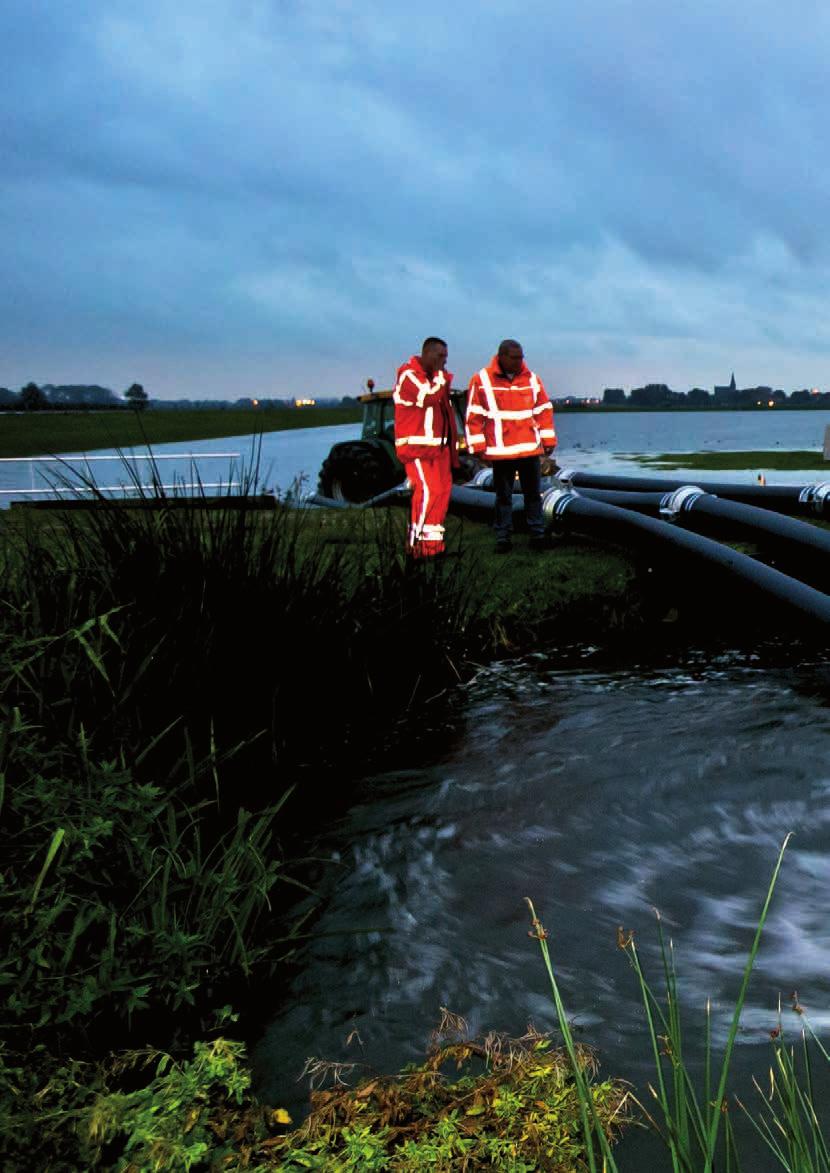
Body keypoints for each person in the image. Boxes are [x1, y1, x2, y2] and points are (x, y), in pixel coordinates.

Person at [465, 340, 557, 552]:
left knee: (533, 494)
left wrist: (548, 441)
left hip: (529, 450)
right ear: (502, 357)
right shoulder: (482, 380)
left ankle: (537, 535)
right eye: (515, 358)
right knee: (503, 497)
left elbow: (543, 410)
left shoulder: (532, 379)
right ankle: (503, 538)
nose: (520, 361)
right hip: (502, 452)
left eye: (521, 357)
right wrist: (478, 447)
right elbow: (474, 415)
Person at [393, 337, 459, 558]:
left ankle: (433, 547)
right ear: (427, 353)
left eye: (446, 357)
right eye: (440, 356)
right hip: (417, 449)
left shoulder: (435, 379)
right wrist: (442, 377)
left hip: (437, 450)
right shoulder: (409, 375)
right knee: (428, 493)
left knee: (441, 493)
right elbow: (428, 398)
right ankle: (416, 547)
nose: (444, 361)